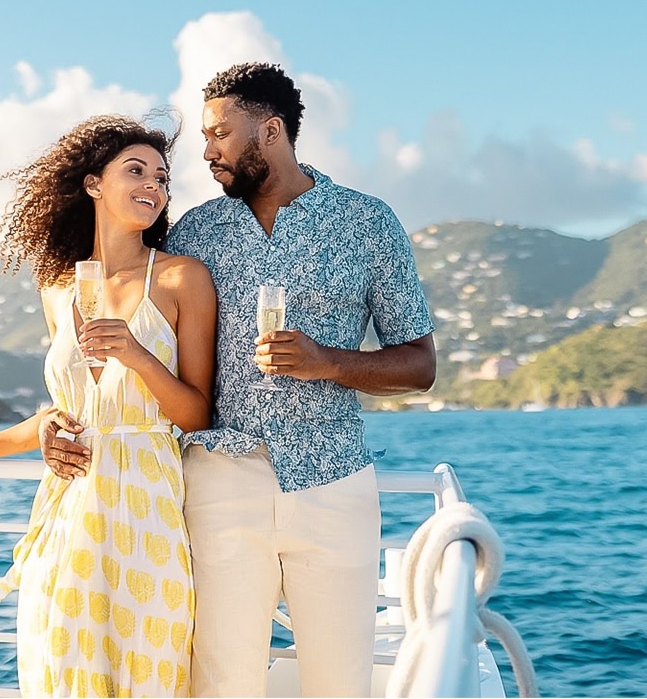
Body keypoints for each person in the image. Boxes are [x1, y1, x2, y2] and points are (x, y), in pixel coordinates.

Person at [49, 63, 436, 697]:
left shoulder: (367, 223)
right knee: (223, 683)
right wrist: (59, 426)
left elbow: (419, 365)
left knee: (341, 683)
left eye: (220, 135)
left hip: (334, 480)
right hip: (217, 482)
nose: (207, 153)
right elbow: (119, 287)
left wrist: (329, 361)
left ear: (272, 130)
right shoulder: (196, 232)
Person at [0, 115, 217, 698]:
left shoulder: (182, 278)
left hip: (147, 510)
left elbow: (196, 415)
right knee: (60, 669)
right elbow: (66, 410)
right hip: (69, 511)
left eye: (162, 178)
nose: (153, 187)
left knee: (147, 673)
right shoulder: (57, 286)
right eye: (135, 170)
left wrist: (138, 355)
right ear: (92, 185)